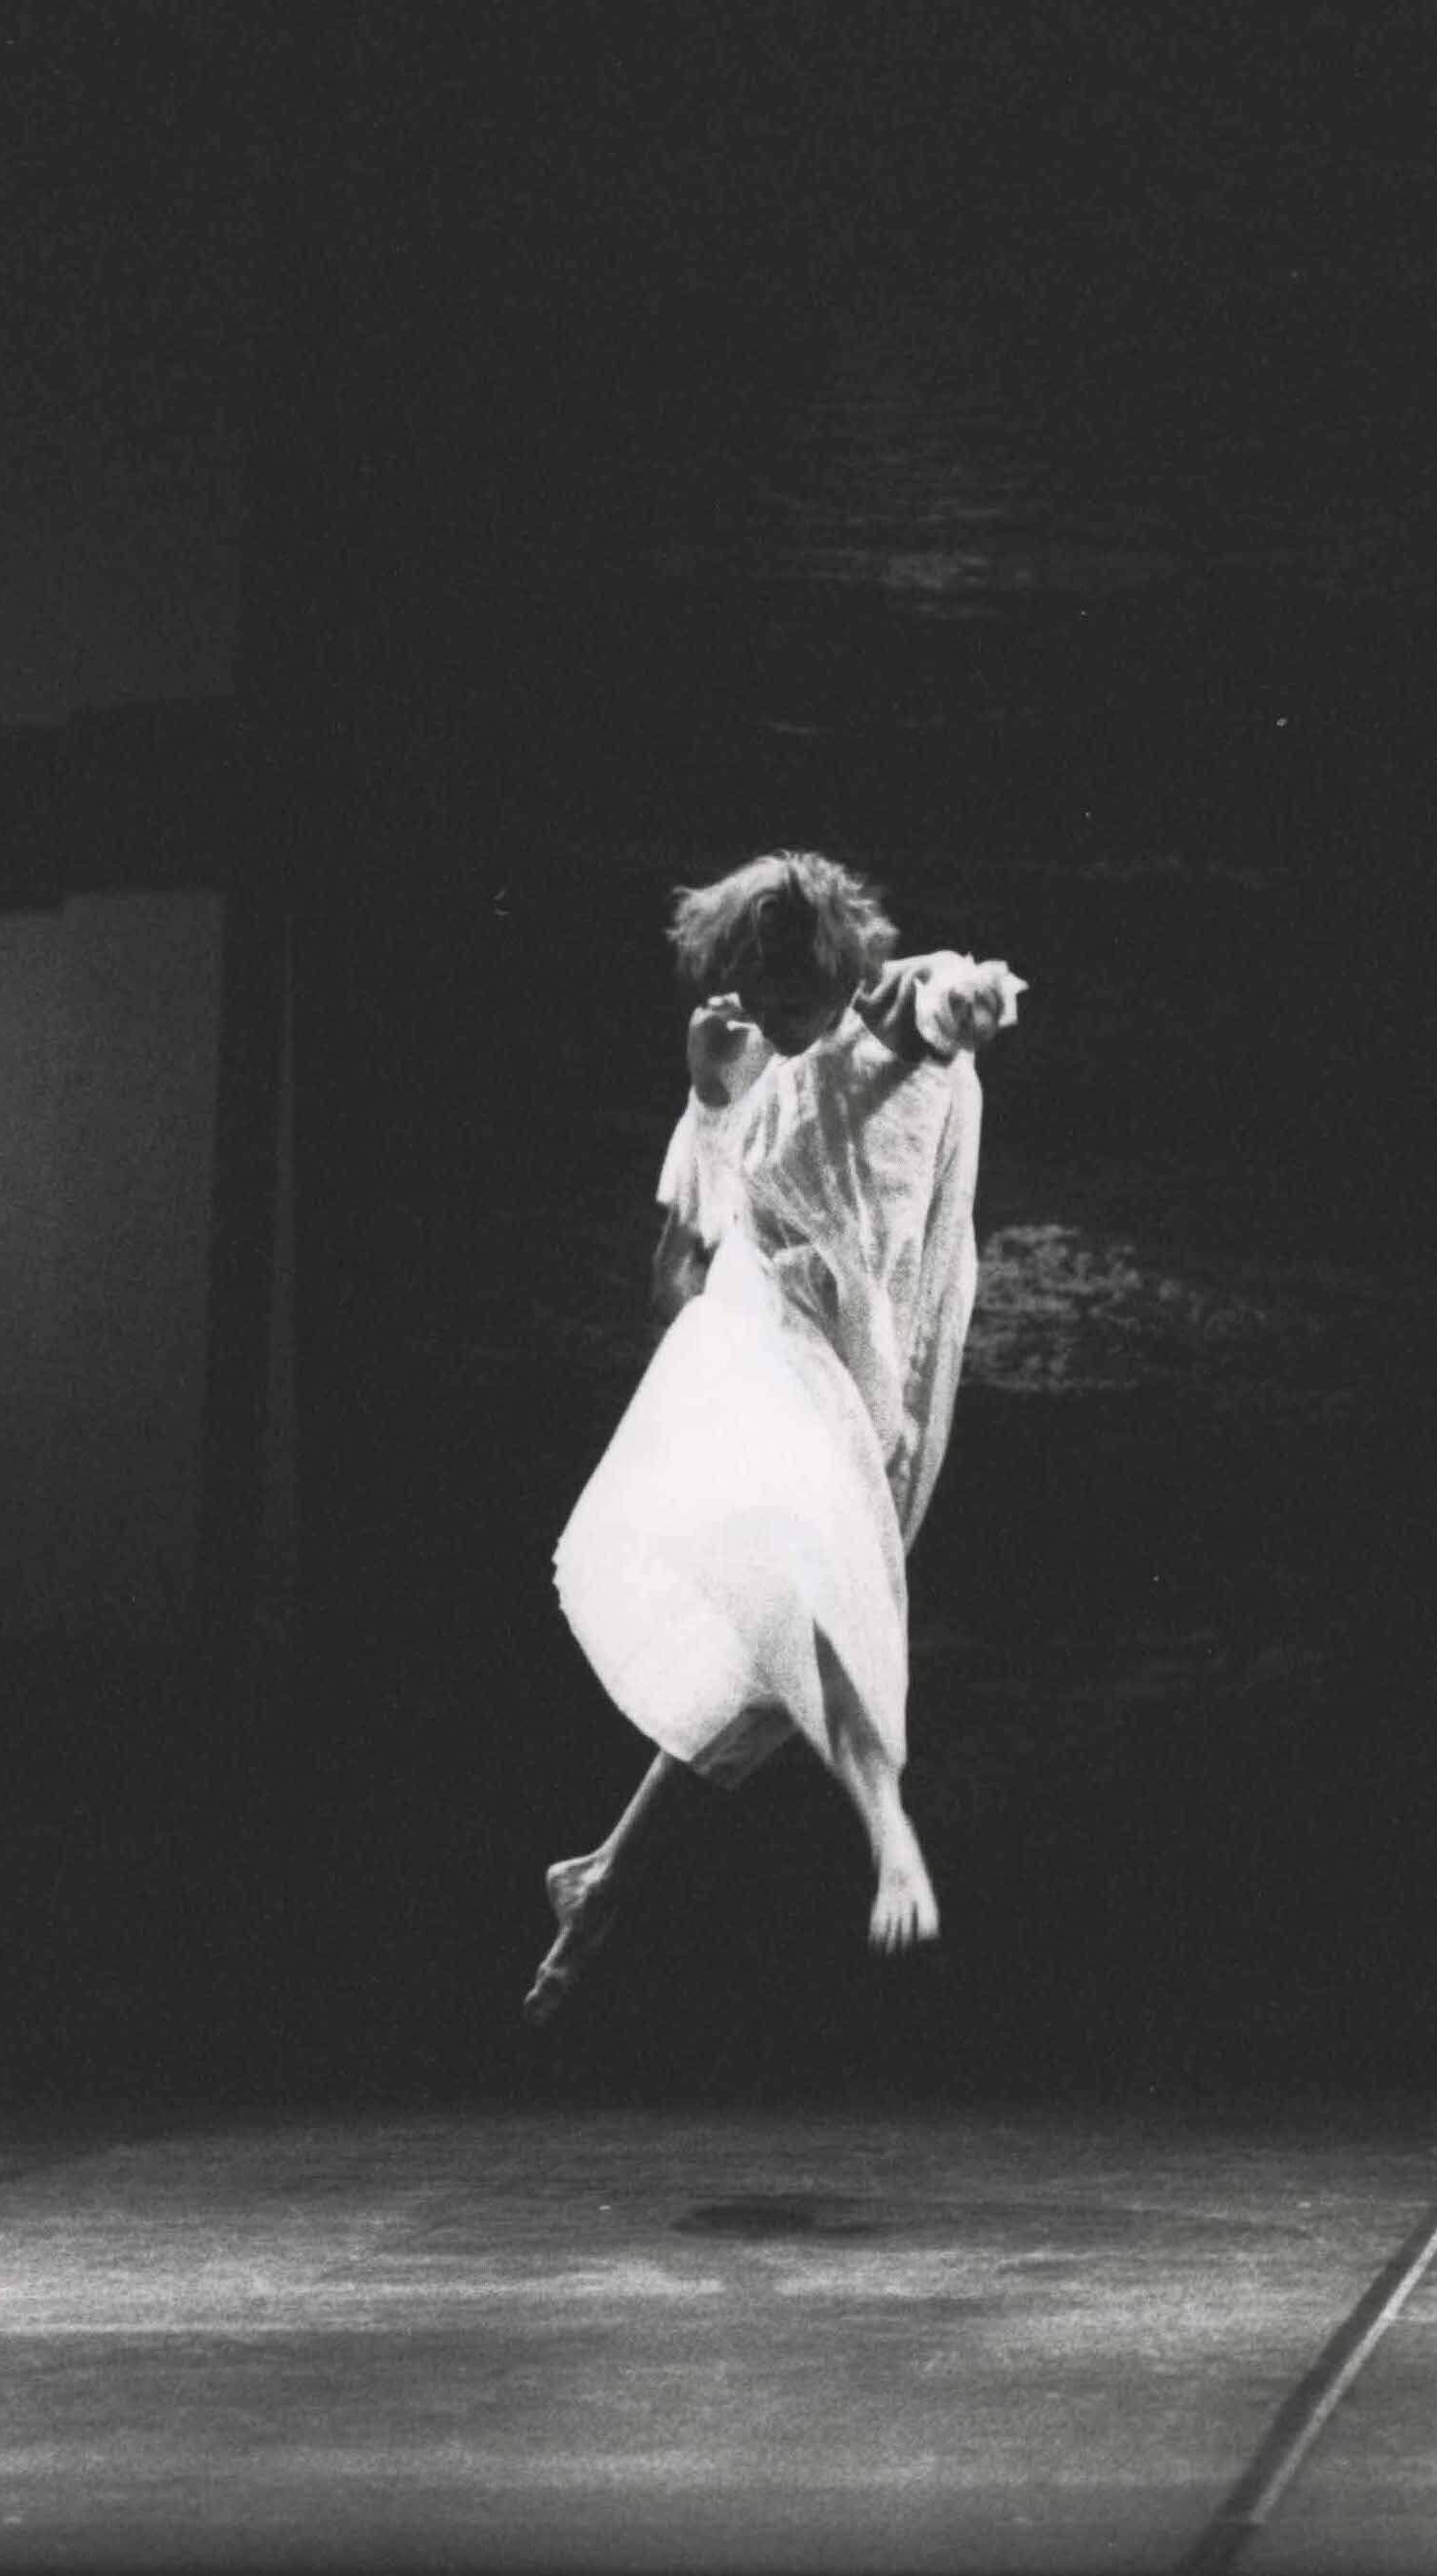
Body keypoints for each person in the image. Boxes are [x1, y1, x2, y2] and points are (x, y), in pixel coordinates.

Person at [525, 849, 1022, 2024]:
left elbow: (939, 997)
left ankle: (599, 1876)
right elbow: (670, 1285)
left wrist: (978, 994)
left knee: (768, 1659)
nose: (768, 1017)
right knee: (809, 1587)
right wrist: (708, 1096)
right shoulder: (748, 1073)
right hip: (766, 1348)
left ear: (834, 975)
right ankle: (889, 1833)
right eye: (751, 994)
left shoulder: (886, 1017)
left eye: (789, 996)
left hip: (876, 1371)